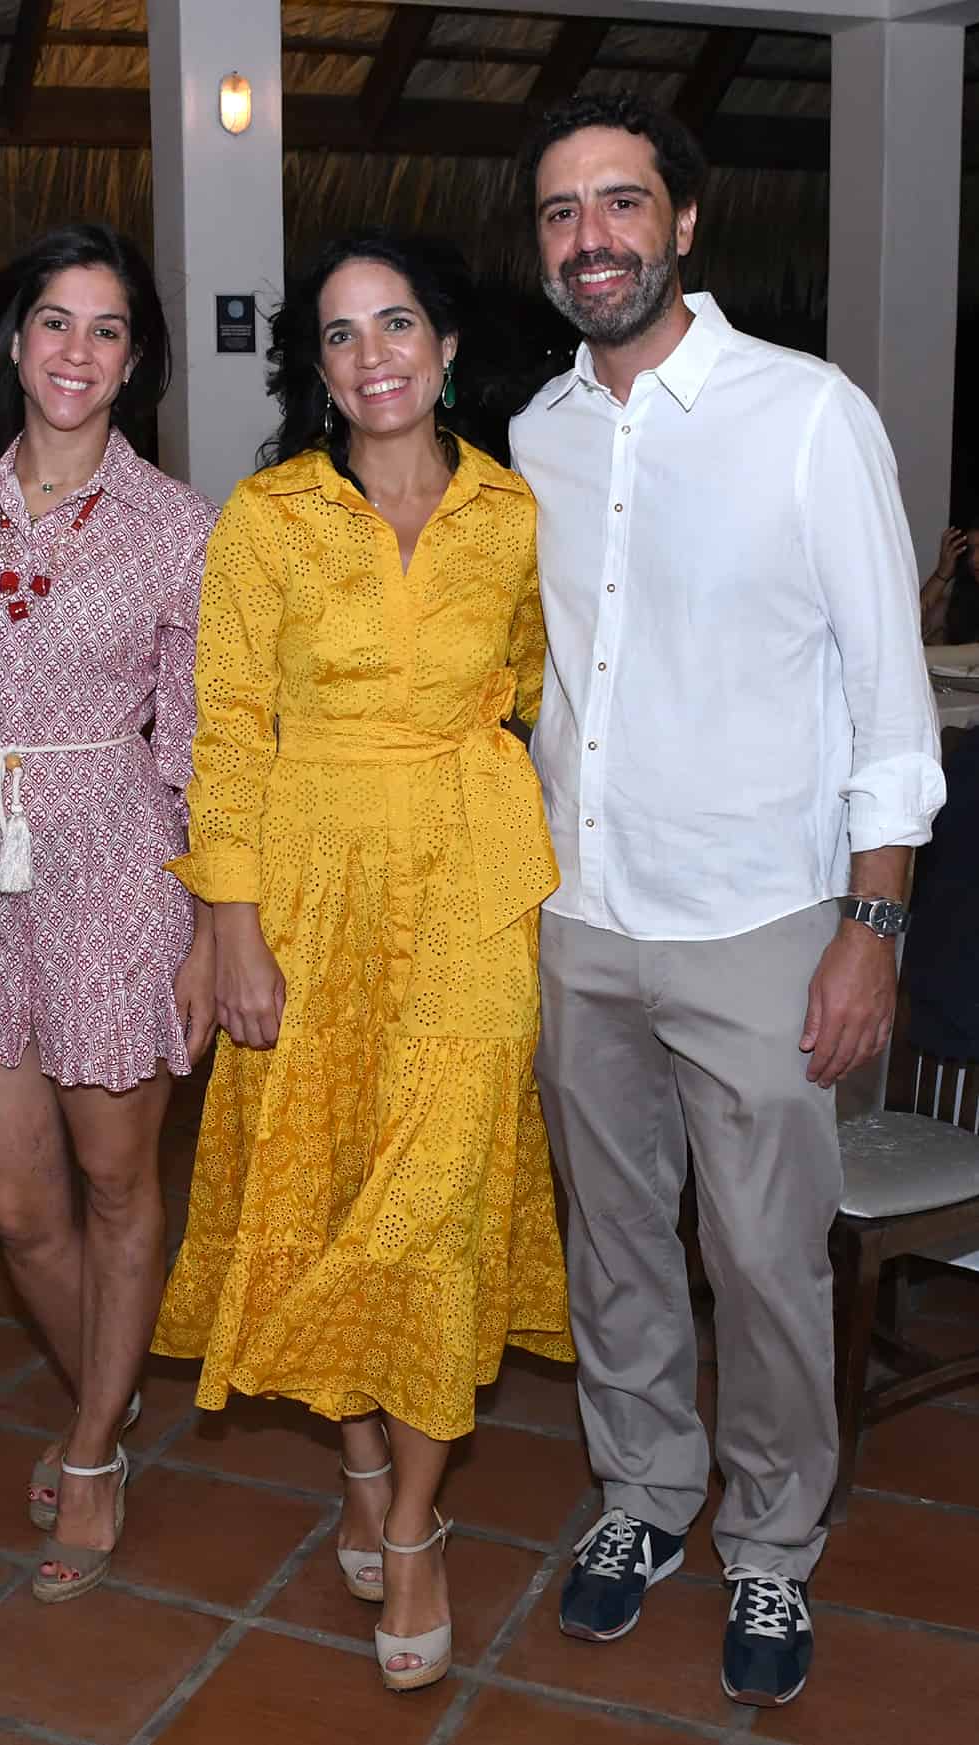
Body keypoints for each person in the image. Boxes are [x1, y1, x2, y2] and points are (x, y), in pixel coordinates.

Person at [511, 93, 944, 1709]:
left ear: (683, 223)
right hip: (582, 913)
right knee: (615, 1241)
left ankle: (770, 1543)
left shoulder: (806, 417)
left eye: (619, 203)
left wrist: (871, 923)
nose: (592, 238)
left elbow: (888, 696)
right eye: (560, 214)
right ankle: (640, 1501)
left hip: (765, 923)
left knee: (767, 1263)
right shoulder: (538, 437)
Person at [152, 230, 574, 1694]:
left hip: (469, 881)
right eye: (340, 335)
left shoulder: (517, 511)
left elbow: (525, 683)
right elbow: (224, 733)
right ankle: (356, 1457)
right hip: (310, 891)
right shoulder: (266, 520)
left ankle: (412, 1523)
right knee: (326, 1176)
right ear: (314, 370)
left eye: (398, 324)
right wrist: (233, 923)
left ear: (448, 348)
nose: (373, 354)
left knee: (441, 1189)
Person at [0, 224, 218, 1604]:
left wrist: (210, 922)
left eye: (105, 329)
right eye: (53, 322)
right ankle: (114, 1385)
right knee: (23, 1207)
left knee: (111, 1180)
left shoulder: (177, 526)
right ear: (14, 341)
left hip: (114, 871)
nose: (76, 351)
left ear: (134, 358)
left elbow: (205, 740)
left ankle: (92, 1439)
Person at [919, 518, 979, 645]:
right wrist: (942, 574)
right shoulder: (959, 602)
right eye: (971, 550)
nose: (973, 559)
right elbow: (908, 625)